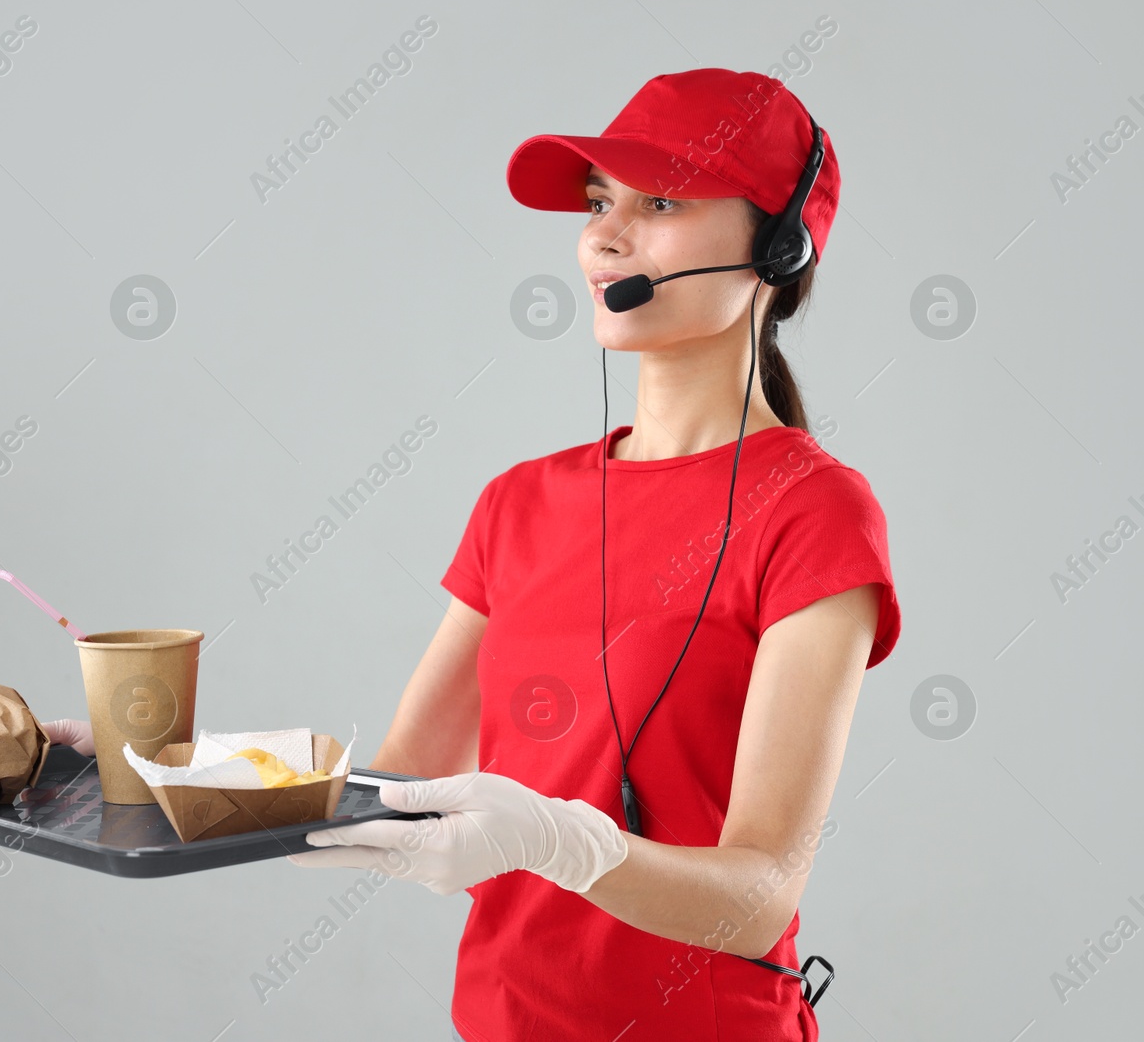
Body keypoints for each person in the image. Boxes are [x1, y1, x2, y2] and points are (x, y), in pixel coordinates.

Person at [284, 68, 903, 1041]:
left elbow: (761, 892)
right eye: (597, 203)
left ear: (777, 247)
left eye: (658, 202)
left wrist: (557, 841)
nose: (604, 237)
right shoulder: (519, 501)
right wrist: (156, 774)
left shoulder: (813, 514)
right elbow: (399, 787)